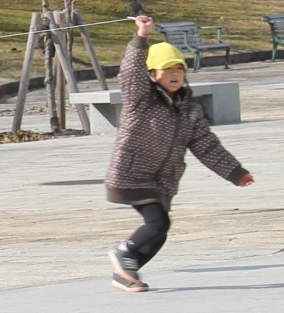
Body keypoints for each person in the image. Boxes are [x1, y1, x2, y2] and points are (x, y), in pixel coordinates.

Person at [106, 15, 254, 293]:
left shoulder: (190, 110)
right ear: (152, 74)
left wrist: (235, 172)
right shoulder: (141, 98)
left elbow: (206, 145)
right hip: (132, 174)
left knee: (158, 233)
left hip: (161, 180)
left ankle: (125, 272)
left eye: (179, 69)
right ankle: (124, 253)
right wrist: (142, 36)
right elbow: (130, 71)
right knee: (158, 222)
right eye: (166, 69)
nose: (175, 74)